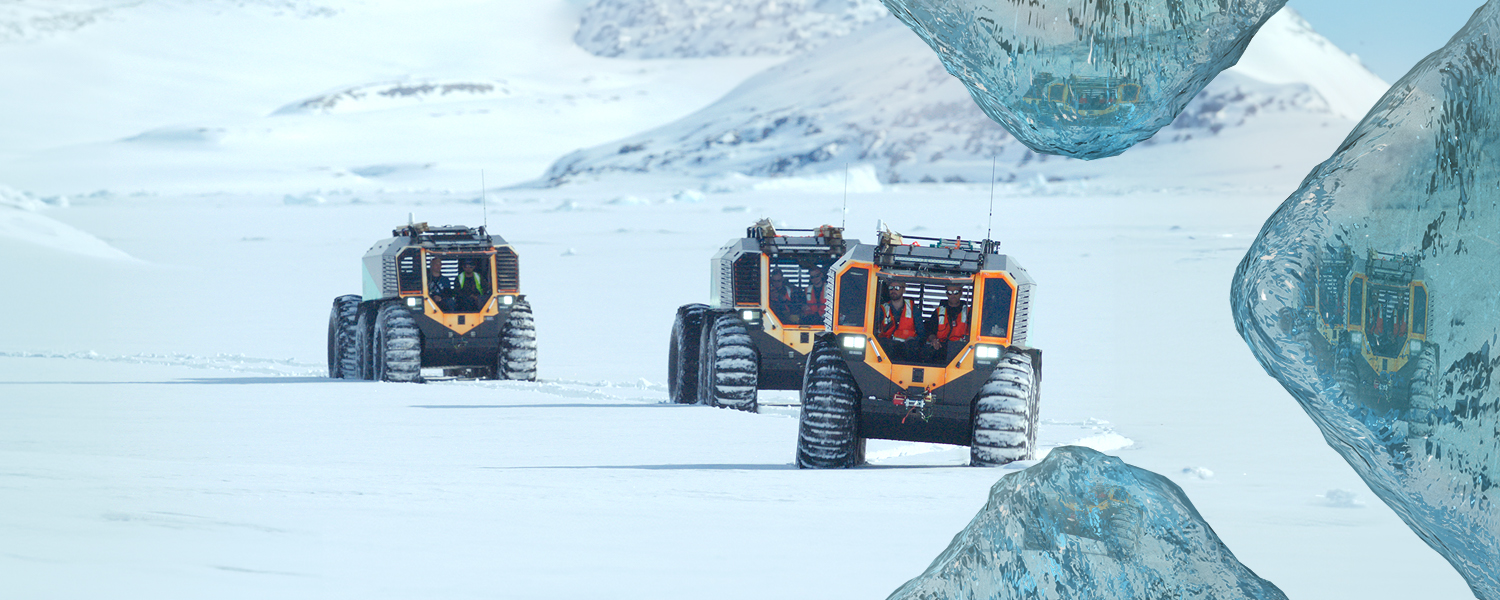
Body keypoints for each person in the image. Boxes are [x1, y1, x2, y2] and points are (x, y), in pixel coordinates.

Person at [925, 283, 971, 362]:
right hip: (941, 348)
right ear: (946, 294)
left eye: (956, 292)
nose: (953, 295)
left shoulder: (969, 312)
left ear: (961, 293)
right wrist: (934, 341)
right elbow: (931, 332)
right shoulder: (938, 311)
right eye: (949, 292)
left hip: (962, 349)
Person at [877, 281, 921, 361]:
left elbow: (922, 334)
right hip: (887, 351)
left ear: (903, 290)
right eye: (891, 288)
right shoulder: (882, 309)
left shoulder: (913, 309)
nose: (893, 290)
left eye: (897, 288)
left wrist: (913, 340)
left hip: (908, 350)